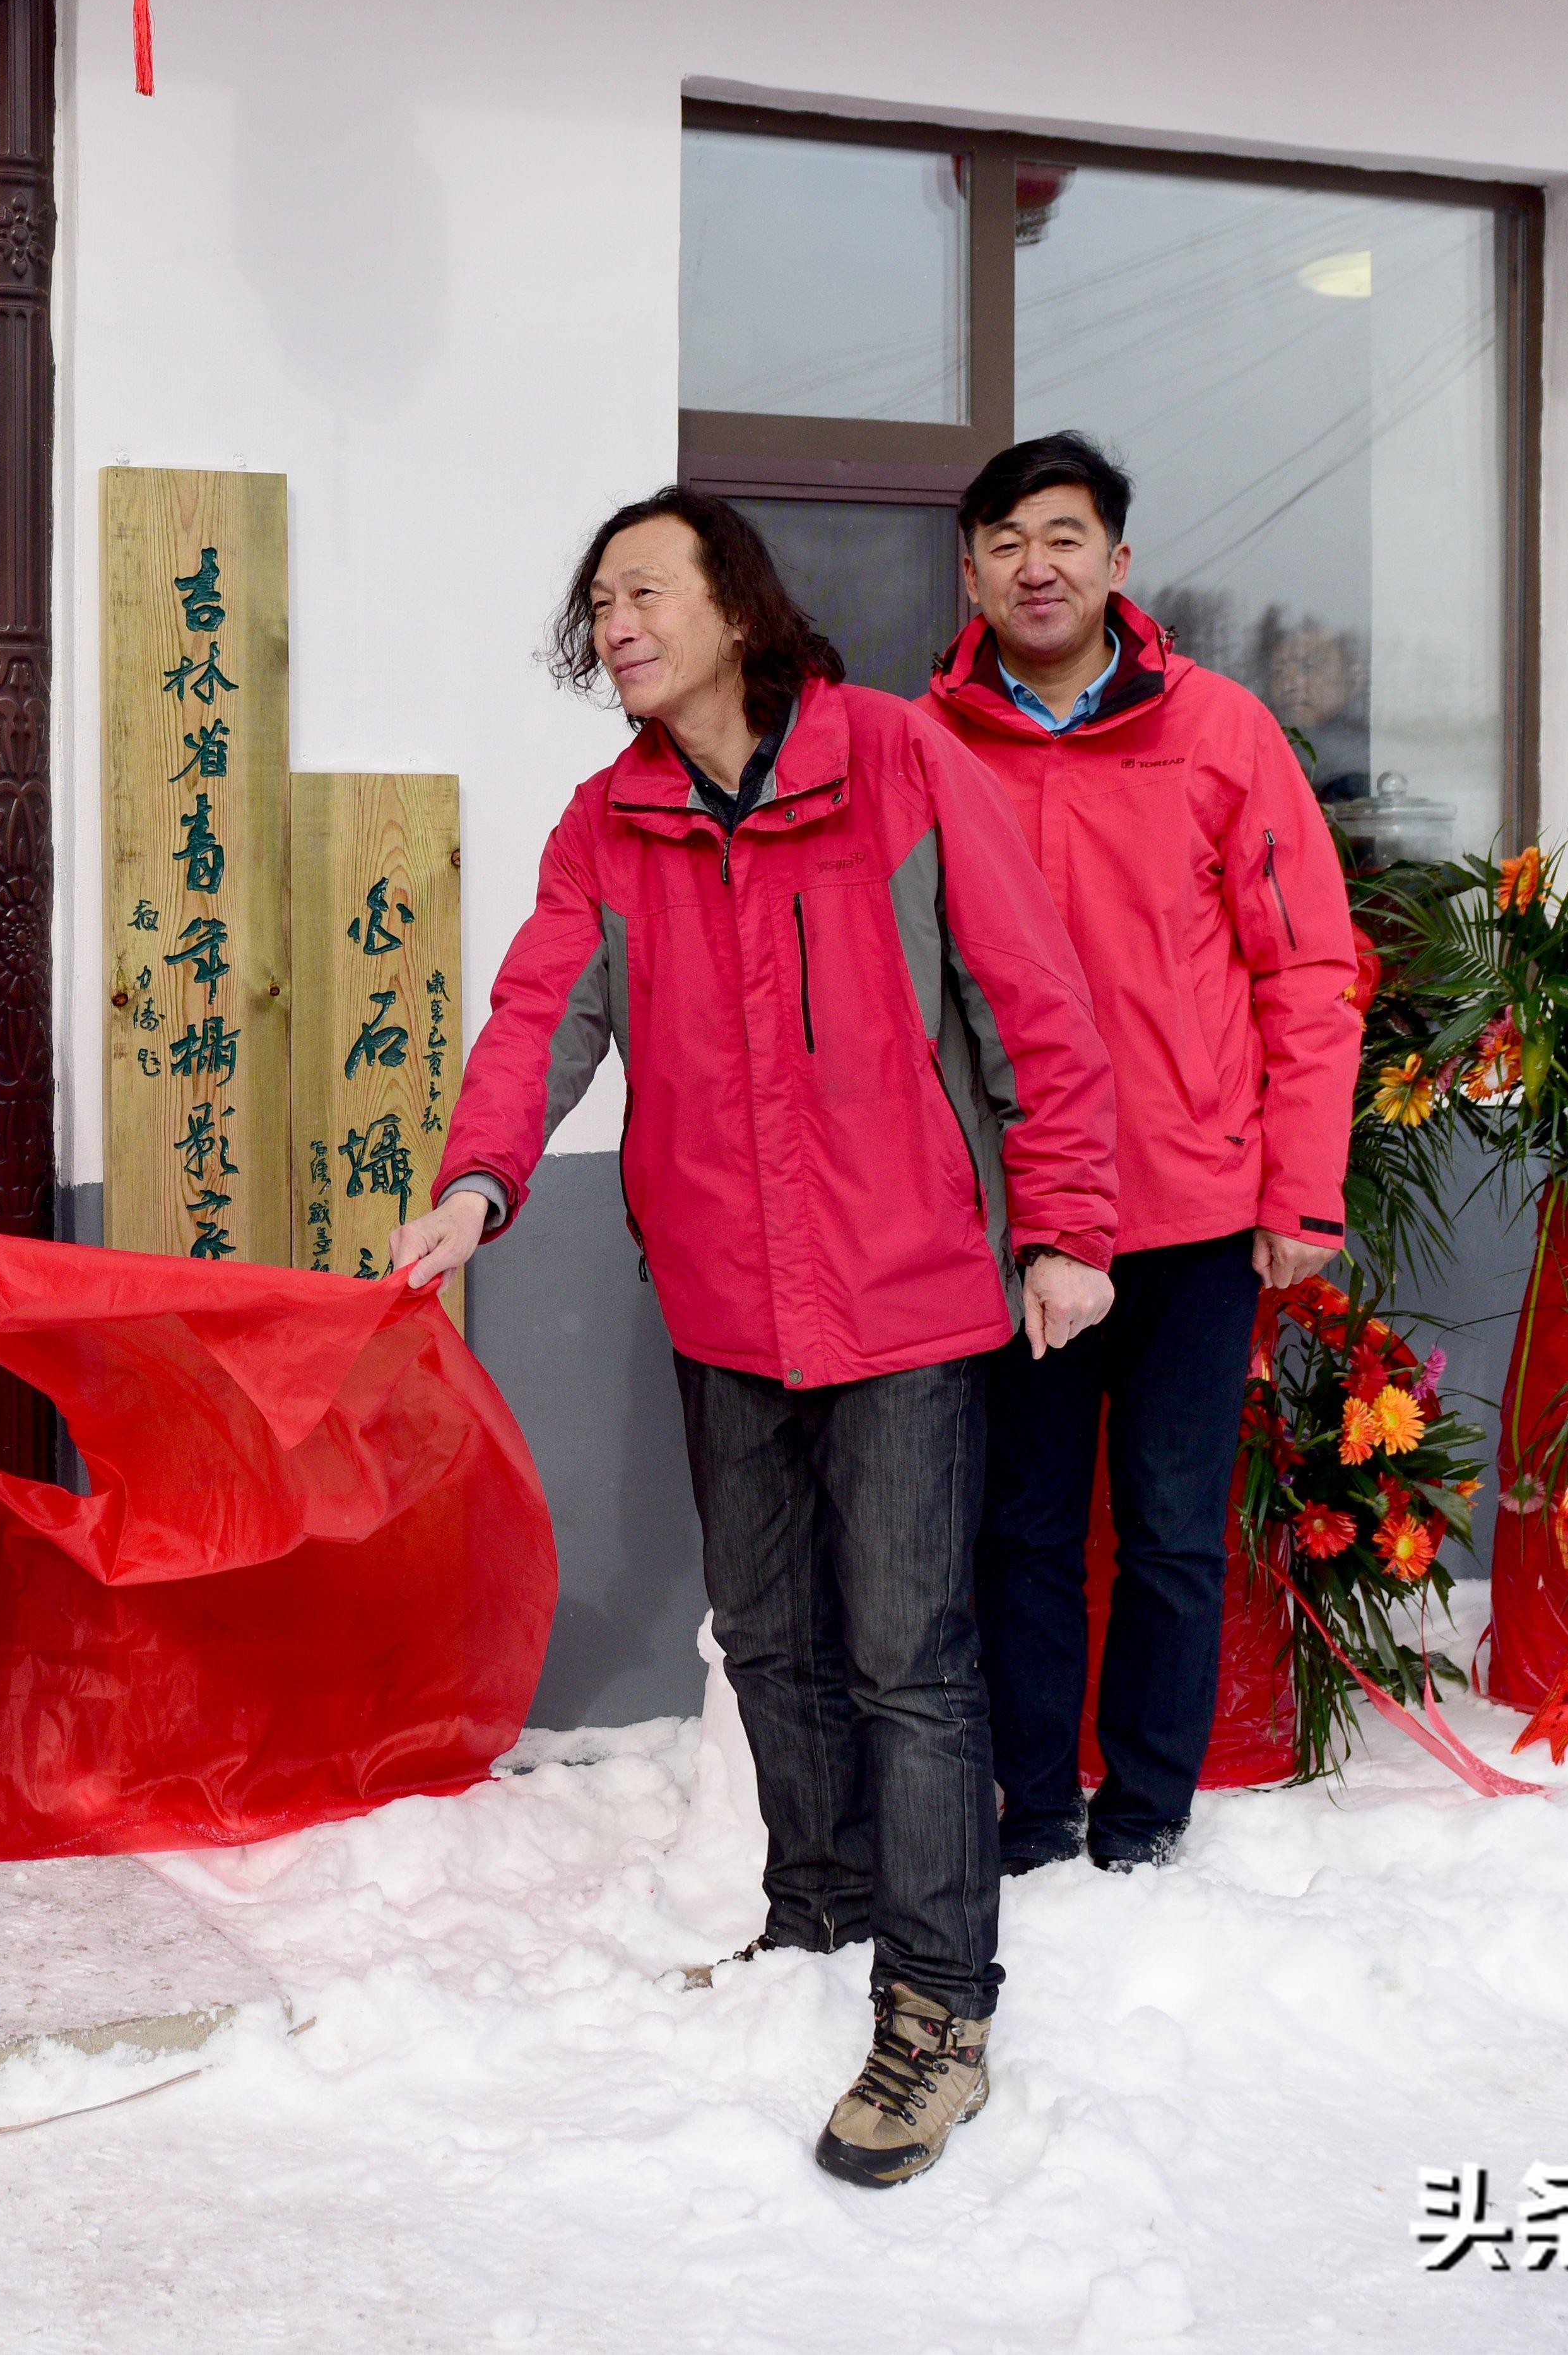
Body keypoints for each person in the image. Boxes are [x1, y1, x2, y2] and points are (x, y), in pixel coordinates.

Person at [392, 487, 1119, 2190]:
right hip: (726, 1293)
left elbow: (1028, 994)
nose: (617, 624)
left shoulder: (891, 761)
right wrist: (478, 1181)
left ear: (737, 604)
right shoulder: (610, 822)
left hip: (908, 1287)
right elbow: (535, 1014)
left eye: (644, 589)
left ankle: (937, 1996)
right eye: (599, 604)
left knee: (905, 1652)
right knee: (771, 1635)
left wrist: (1065, 1222)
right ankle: (818, 1909)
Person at [919, 432, 1364, 1877]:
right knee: (1023, 1531)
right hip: (1014, 1217)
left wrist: (1298, 1188)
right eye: (1003, 541)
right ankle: (1033, 1810)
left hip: (1186, 1207)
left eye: (1063, 537)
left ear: (1117, 562)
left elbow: (1304, 967)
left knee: (1173, 1532)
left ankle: (1147, 1816)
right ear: (968, 572)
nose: (1032, 565)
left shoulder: (1217, 730)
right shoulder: (928, 744)